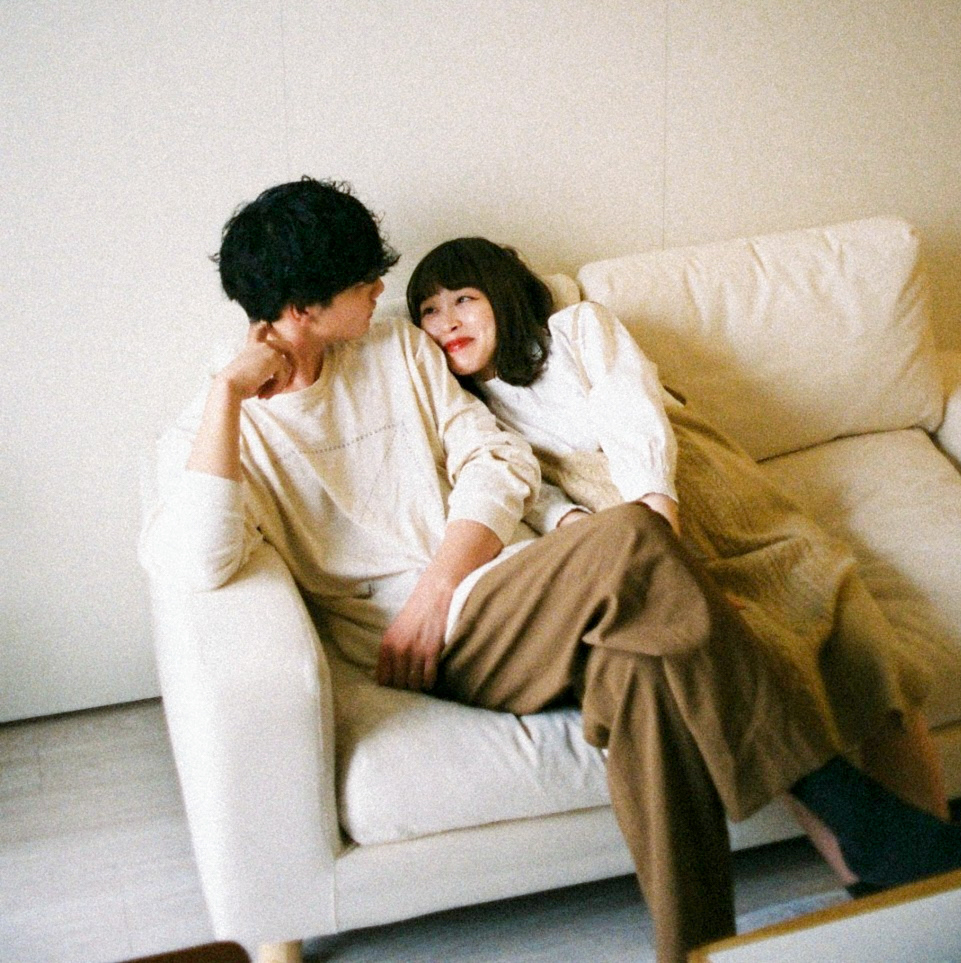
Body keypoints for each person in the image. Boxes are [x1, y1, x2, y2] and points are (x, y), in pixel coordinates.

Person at [142, 181, 958, 963]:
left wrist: (437, 584)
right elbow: (198, 560)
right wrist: (225, 397)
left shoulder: (396, 350)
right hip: (440, 647)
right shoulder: (217, 428)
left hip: (509, 590)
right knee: (632, 532)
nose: (381, 288)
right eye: (364, 281)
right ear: (301, 310)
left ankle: (695, 948)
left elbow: (499, 461)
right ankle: (847, 809)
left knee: (647, 678)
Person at [407, 237, 961, 898]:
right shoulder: (468, 412)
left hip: (694, 489)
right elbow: (532, 496)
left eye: (462, 299)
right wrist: (588, 532)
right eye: (428, 310)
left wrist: (659, 525)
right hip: (623, 535)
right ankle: (879, 885)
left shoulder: (576, 328)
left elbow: (635, 415)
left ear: (501, 293)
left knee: (861, 643)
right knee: (757, 667)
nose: (446, 322)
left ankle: (937, 882)